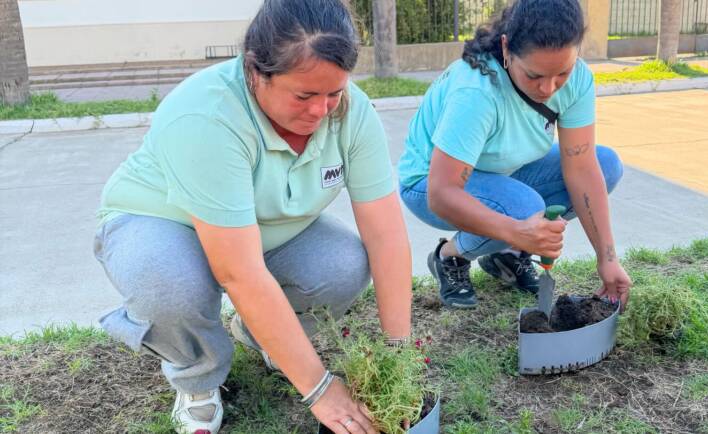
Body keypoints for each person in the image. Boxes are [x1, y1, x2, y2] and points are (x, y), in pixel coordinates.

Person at [93, 1, 412, 433]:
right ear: (254, 73)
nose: (321, 111)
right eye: (304, 95)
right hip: (162, 221)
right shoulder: (207, 115)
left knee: (344, 266)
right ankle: (198, 375)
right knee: (170, 286)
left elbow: (387, 236)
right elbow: (239, 271)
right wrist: (319, 389)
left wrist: (399, 352)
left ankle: (264, 337)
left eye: (333, 93)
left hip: (261, 231)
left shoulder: (353, 113)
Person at [397, 0, 632, 309]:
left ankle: (505, 256)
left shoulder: (577, 80)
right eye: (534, 76)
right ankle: (449, 256)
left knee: (606, 165)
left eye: (562, 72)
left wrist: (607, 258)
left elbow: (583, 168)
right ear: (507, 49)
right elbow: (441, 194)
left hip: (501, 173)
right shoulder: (478, 92)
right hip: (428, 183)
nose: (548, 88)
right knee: (525, 210)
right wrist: (516, 231)